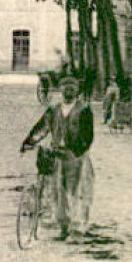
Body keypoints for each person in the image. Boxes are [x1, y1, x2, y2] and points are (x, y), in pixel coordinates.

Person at [21, 75, 94, 240]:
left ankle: (78, 227)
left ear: (77, 91)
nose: (69, 91)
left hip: (76, 156)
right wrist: (29, 142)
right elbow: (42, 127)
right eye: (65, 87)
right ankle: (63, 226)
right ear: (60, 90)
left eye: (72, 88)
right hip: (57, 155)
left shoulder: (84, 109)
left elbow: (88, 135)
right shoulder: (54, 109)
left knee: (77, 191)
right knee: (57, 191)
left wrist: (77, 151)